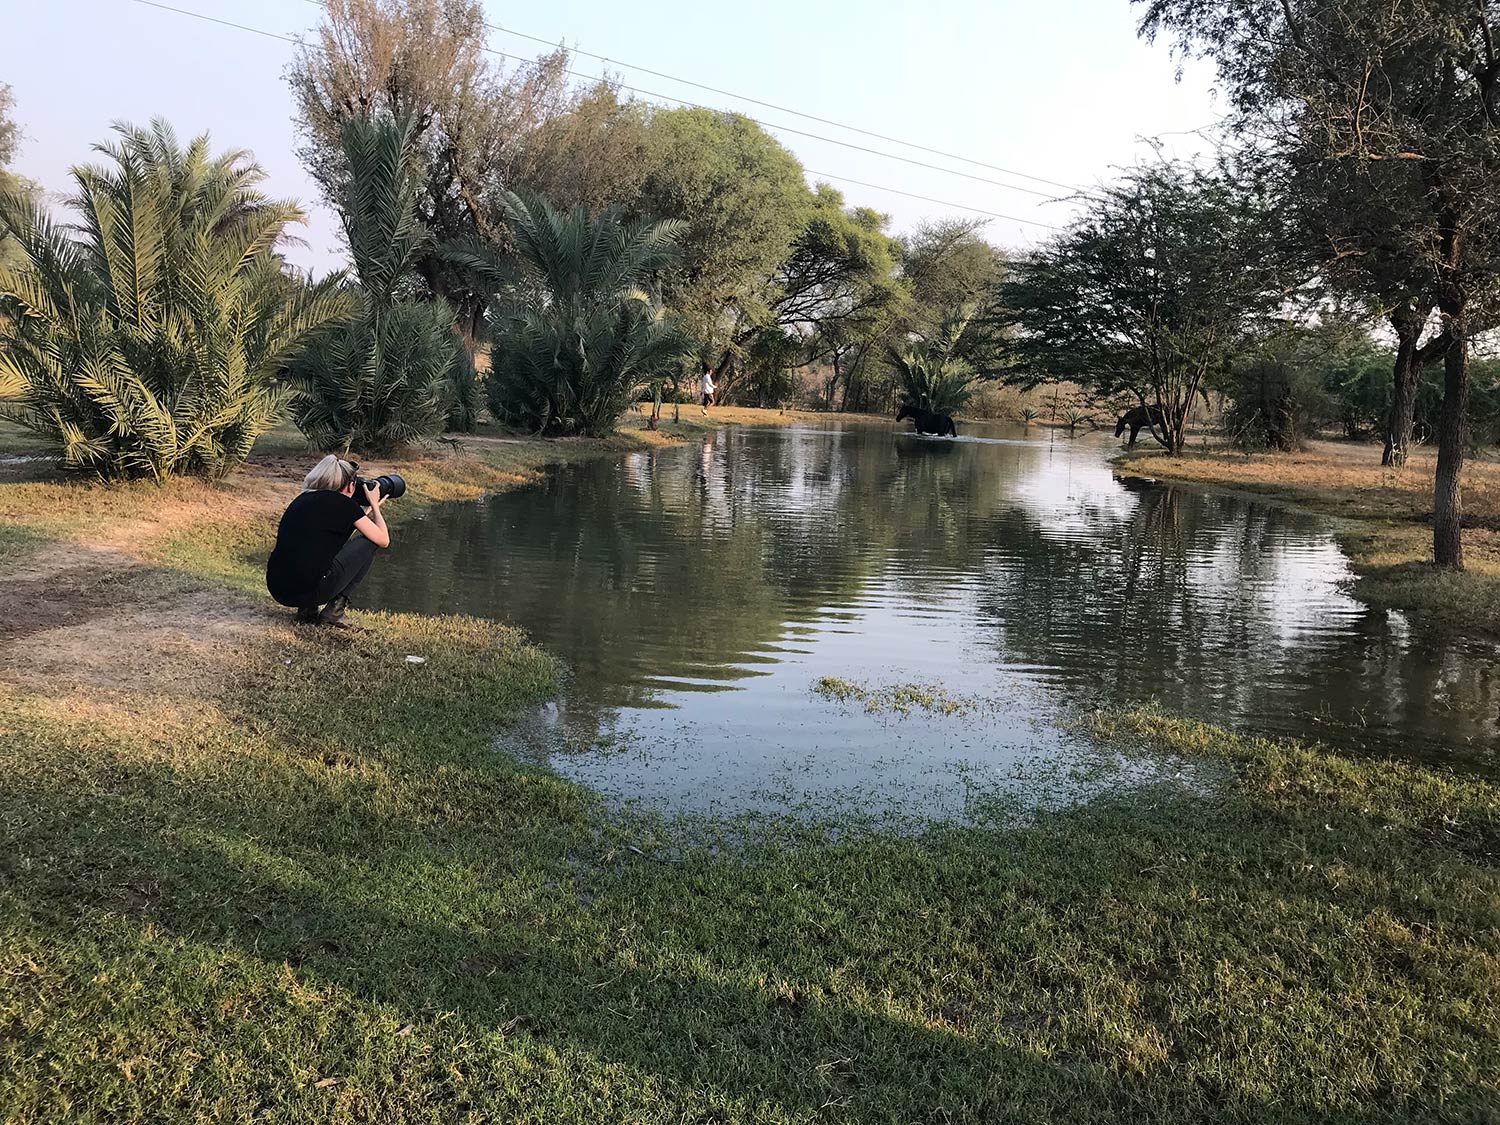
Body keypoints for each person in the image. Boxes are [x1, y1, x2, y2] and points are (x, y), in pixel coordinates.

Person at [266, 454, 391, 625]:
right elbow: (383, 540)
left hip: (278, 588)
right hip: (311, 591)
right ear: (350, 486)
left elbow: (326, 540)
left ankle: (307, 611)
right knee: (370, 543)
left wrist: (361, 513)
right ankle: (334, 611)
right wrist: (375, 504)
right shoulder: (345, 505)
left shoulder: (301, 499)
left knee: (312, 551)